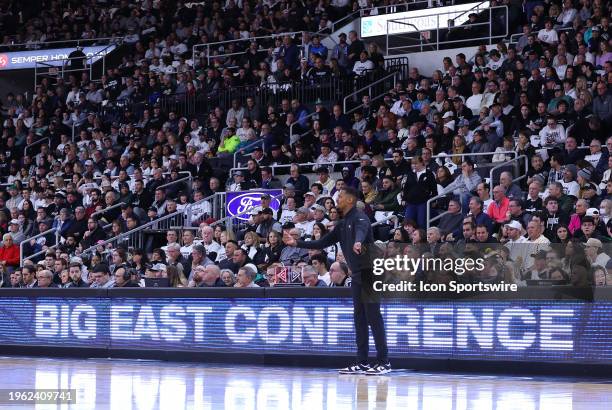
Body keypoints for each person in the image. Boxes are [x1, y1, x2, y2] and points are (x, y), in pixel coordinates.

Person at [283, 187, 389, 375]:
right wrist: (297, 243)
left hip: (369, 273)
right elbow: (321, 243)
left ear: (349, 200)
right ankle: (362, 362)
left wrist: (358, 241)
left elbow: (363, 230)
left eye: (340, 197)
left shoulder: (360, 217)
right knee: (360, 320)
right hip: (356, 275)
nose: (337, 199)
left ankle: (384, 362)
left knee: (373, 318)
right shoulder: (342, 223)